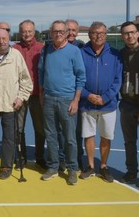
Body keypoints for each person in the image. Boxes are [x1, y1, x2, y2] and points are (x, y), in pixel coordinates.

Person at [38, 20, 86, 185]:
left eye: (61, 31)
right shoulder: (46, 50)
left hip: (67, 100)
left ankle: (72, 168)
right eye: (55, 31)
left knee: (70, 137)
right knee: (50, 135)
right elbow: (41, 73)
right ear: (51, 33)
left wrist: (76, 100)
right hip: (49, 98)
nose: (58, 34)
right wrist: (42, 94)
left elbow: (81, 77)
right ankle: (53, 166)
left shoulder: (74, 51)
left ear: (66, 33)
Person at [0, 29, 33, 180]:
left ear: (9, 39)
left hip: (10, 105)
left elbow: (26, 81)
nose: (1, 42)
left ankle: (6, 166)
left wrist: (21, 98)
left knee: (9, 138)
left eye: (4, 39)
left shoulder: (16, 56)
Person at [79, 21, 122, 183]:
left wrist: (105, 97)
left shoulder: (115, 54)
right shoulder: (81, 53)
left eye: (102, 33)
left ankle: (103, 166)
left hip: (108, 105)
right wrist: (87, 95)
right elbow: (77, 78)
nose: (99, 36)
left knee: (106, 136)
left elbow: (118, 80)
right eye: (95, 33)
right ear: (90, 34)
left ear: (106, 35)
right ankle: (90, 166)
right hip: (87, 103)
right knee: (89, 135)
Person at [13, 19, 46, 170]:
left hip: (37, 95)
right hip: (19, 96)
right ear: (20, 32)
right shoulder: (14, 49)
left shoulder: (42, 48)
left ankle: (40, 157)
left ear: (34, 32)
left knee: (40, 128)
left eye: (29, 31)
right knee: (18, 128)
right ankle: (21, 157)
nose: (26, 34)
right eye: (24, 31)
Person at [57, 19, 85, 172]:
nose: (71, 33)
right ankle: (62, 160)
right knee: (62, 131)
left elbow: (82, 75)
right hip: (63, 96)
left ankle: (77, 160)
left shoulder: (82, 48)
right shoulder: (56, 48)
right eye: (69, 29)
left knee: (76, 131)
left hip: (79, 96)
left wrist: (78, 97)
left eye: (74, 30)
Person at [118, 21, 139, 185]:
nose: (129, 36)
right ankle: (131, 171)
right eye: (126, 33)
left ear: (137, 33)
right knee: (129, 141)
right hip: (126, 104)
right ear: (122, 36)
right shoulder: (120, 55)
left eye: (132, 32)